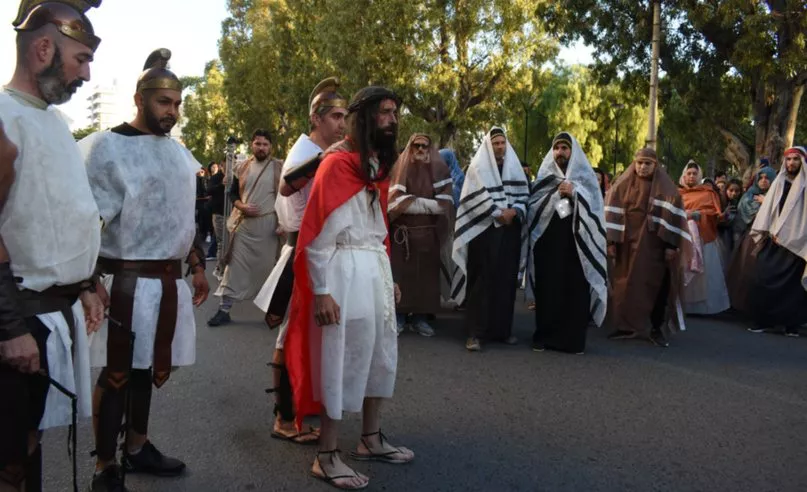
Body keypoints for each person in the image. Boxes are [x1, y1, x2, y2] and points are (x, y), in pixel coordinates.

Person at [80, 48, 210, 492]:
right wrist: (88, 280)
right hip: (125, 280)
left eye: (176, 103)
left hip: (166, 280)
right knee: (116, 372)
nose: (172, 111)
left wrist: (195, 264)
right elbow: (85, 221)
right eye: (163, 102)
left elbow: (181, 218)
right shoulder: (106, 147)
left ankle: (137, 446)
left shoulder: (178, 154)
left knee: (145, 368)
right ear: (140, 99)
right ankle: (104, 466)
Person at [285, 86, 414, 490]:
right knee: (340, 359)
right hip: (342, 271)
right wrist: (321, 289)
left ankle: (370, 439)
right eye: (385, 113)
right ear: (365, 117)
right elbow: (318, 233)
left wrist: (388, 276)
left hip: (372, 268)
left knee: (378, 354)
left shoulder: (375, 164)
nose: (393, 120)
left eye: (395, 112)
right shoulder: (337, 164)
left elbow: (378, 230)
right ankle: (326, 455)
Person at [0, 2, 106, 492]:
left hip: (48, 316)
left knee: (30, 441)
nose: (86, 73)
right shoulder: (3, 118)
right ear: (43, 48)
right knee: (10, 457)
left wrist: (84, 283)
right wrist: (8, 326)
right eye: (80, 58)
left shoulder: (55, 123)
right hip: (19, 319)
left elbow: (58, 217)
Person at [253, 77, 347, 444]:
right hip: (303, 254)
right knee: (288, 334)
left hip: (319, 253)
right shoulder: (306, 151)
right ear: (316, 118)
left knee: (302, 334)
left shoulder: (318, 149)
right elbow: (288, 188)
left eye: (344, 116)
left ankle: (297, 409)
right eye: (336, 116)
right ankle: (285, 417)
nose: (342, 123)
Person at [527, 133, 607, 354]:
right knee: (547, 292)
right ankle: (543, 337)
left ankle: (571, 341)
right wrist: (555, 194)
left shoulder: (586, 179)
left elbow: (596, 209)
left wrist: (575, 193)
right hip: (548, 246)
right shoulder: (544, 178)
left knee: (574, 293)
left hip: (577, 249)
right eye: (557, 148)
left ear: (573, 152)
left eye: (565, 148)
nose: (560, 152)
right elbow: (533, 207)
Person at [452, 127, 529, 351]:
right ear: (488, 145)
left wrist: (513, 212)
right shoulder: (477, 168)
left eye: (502, 143)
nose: (500, 147)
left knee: (506, 281)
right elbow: (471, 198)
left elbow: (525, 196)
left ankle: (502, 331)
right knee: (481, 282)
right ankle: (475, 334)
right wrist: (497, 213)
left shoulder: (515, 169)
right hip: (483, 232)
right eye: (495, 143)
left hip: (509, 232)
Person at [605, 148, 689, 347]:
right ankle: (625, 326)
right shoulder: (621, 186)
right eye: (639, 163)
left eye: (647, 164)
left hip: (654, 249)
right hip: (626, 246)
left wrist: (671, 245)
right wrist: (611, 242)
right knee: (625, 285)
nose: (642, 167)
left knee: (656, 286)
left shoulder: (668, 191)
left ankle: (655, 328)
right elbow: (611, 215)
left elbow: (674, 220)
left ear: (655, 165)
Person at [729, 147, 807, 337]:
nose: (791, 163)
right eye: (788, 160)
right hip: (773, 240)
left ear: (802, 162)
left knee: (793, 288)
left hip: (796, 245)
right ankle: (763, 320)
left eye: (796, 160)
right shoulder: (778, 182)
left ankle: (791, 325)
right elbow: (768, 210)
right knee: (762, 278)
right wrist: (768, 230)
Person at [208, 129, 283, 326]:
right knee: (233, 269)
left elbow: (286, 198)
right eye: (258, 144)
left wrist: (283, 223)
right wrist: (242, 206)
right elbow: (232, 195)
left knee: (269, 270)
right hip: (245, 227)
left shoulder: (279, 167)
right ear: (252, 145)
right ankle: (224, 310)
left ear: (271, 147)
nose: (261, 147)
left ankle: (274, 314)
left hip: (268, 228)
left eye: (265, 144)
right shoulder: (242, 167)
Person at [388, 134, 454, 336]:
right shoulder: (400, 169)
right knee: (401, 277)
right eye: (416, 145)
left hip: (428, 236)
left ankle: (420, 319)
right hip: (403, 237)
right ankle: (399, 317)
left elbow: (445, 205)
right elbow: (394, 203)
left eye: (424, 146)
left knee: (425, 279)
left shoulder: (439, 171)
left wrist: (413, 202)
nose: (420, 149)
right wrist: (427, 204)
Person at [678, 161, 730, 315]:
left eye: (695, 174)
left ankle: (704, 308)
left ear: (699, 175)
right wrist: (686, 215)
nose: (692, 176)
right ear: (684, 176)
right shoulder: (677, 193)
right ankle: (682, 305)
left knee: (705, 274)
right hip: (683, 237)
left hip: (703, 237)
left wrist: (700, 215)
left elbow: (715, 214)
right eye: (689, 174)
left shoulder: (709, 193)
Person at [207, 161, 226, 270]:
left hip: (233, 215)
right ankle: (220, 268)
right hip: (219, 214)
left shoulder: (236, 176)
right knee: (222, 243)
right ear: (223, 164)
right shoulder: (216, 177)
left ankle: (228, 268)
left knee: (232, 244)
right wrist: (221, 185)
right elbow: (208, 190)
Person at [205, 162, 221, 259]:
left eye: (216, 166)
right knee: (216, 232)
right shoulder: (212, 178)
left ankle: (212, 251)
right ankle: (212, 252)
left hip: (224, 210)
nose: (214, 168)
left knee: (217, 234)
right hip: (213, 208)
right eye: (213, 167)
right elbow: (208, 190)